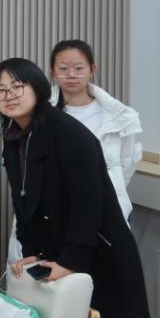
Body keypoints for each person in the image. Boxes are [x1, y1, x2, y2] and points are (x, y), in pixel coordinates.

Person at [0, 58, 150, 318]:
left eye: (17, 87)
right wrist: (34, 252)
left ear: (38, 88)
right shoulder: (15, 136)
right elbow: (23, 200)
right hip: (57, 251)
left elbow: (88, 204)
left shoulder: (67, 134)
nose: (9, 96)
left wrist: (70, 262)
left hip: (99, 253)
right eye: (1, 90)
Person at [49, 40, 142, 221]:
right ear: (53, 72)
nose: (71, 75)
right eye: (63, 69)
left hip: (107, 209)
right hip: (57, 209)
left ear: (92, 70)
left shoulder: (120, 117)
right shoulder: (40, 114)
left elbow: (125, 165)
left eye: (79, 68)